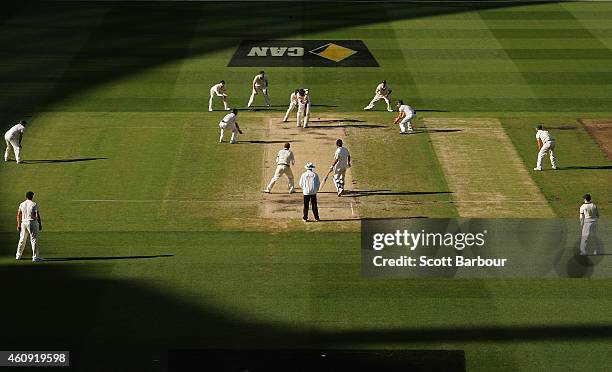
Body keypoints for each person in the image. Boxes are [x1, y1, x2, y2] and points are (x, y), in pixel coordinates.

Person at [16, 191, 43, 262]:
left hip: (23, 223)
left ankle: (18, 255)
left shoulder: (22, 204)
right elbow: (37, 215)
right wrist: (40, 224)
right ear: (32, 196)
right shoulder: (34, 204)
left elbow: (19, 214)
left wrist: (19, 224)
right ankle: (35, 257)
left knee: (22, 239)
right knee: (33, 239)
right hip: (31, 222)